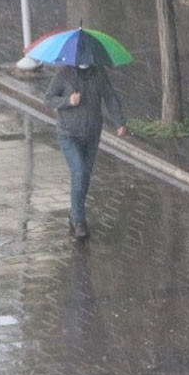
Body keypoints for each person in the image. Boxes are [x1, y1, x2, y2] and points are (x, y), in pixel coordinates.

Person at [44, 57, 127, 240]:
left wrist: (119, 121)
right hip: (68, 134)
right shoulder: (64, 74)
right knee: (79, 172)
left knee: (85, 176)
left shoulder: (98, 73)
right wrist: (68, 101)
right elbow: (48, 99)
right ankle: (79, 221)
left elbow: (110, 96)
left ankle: (75, 213)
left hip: (91, 134)